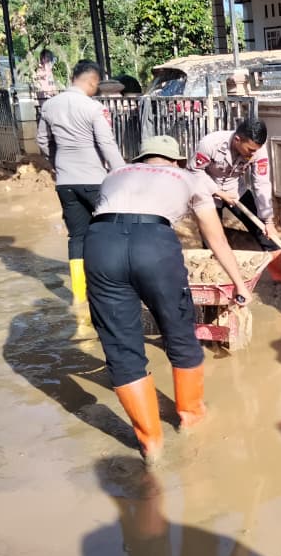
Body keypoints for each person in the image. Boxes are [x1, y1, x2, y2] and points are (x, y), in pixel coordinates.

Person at [84, 135, 252, 465]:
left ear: (141, 159)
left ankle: (151, 445)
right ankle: (192, 418)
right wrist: (238, 283)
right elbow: (215, 237)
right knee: (179, 331)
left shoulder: (115, 174)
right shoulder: (190, 177)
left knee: (120, 347)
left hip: (100, 244)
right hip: (154, 245)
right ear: (176, 161)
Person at [36, 59, 125, 303]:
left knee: (77, 236)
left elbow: (42, 141)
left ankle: (78, 295)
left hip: (65, 182)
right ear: (93, 81)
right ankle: (109, 285)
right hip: (94, 179)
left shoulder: (50, 106)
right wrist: (122, 174)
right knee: (111, 231)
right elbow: (106, 143)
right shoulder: (92, 108)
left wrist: (58, 164)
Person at [189, 119, 281, 283]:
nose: (253, 154)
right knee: (212, 240)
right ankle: (215, 280)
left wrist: (268, 220)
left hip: (236, 191)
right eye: (250, 150)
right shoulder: (210, 144)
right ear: (237, 139)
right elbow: (194, 172)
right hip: (208, 193)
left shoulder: (258, 150)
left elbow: (262, 183)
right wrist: (218, 192)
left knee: (267, 235)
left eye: (256, 150)